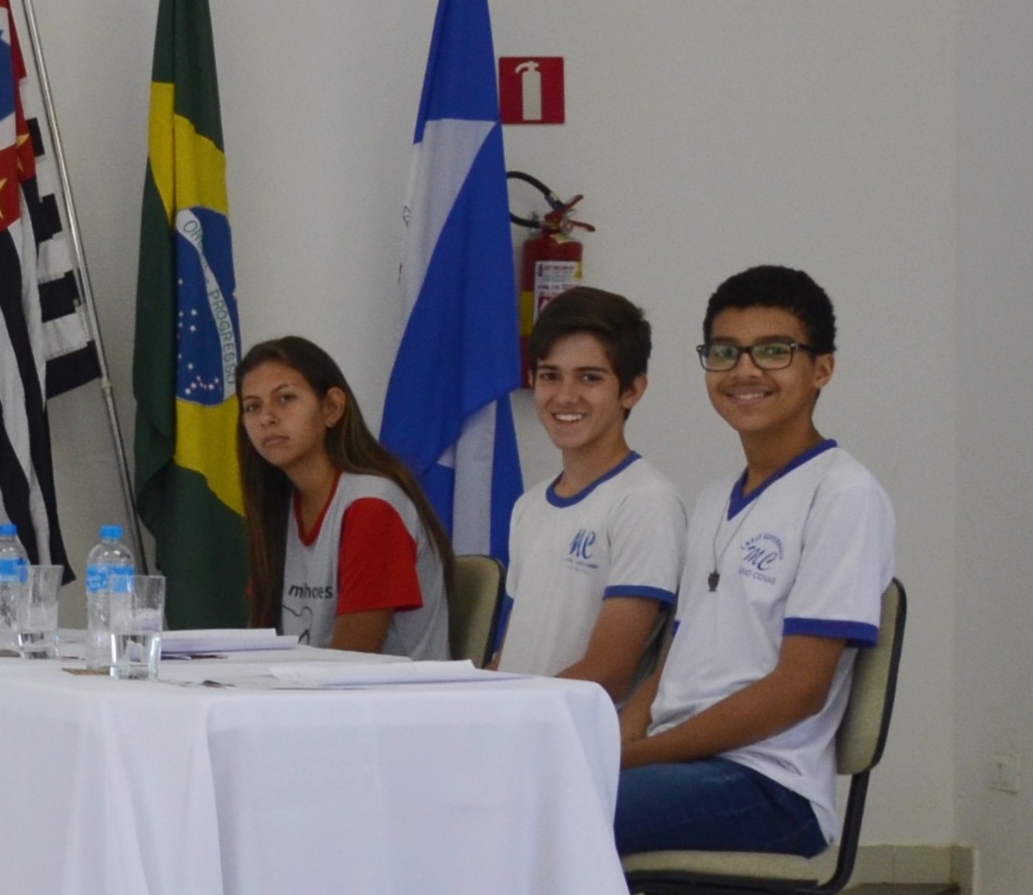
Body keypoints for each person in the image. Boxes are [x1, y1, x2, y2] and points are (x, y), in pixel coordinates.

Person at [619, 266, 895, 858]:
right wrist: (616, 738)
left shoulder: (843, 494)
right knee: (524, 792)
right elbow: (678, 656)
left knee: (560, 811)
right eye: (725, 352)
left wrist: (635, 758)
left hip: (770, 784)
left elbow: (799, 690)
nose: (744, 370)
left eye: (773, 351)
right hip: (677, 762)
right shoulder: (715, 496)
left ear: (822, 369)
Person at [494, 287, 679, 689]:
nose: (565, 396)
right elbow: (509, 656)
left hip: (568, 725)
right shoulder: (528, 506)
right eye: (550, 376)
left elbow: (610, 670)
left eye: (589, 377)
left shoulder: (645, 502)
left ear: (632, 390)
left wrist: (517, 711)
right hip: (518, 716)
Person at [234, 336, 452, 657]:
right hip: (306, 686)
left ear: (332, 408)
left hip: (376, 689)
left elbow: (351, 661)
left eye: (285, 398)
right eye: (253, 406)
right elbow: (261, 642)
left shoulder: (372, 506)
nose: (266, 418)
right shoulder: (280, 504)